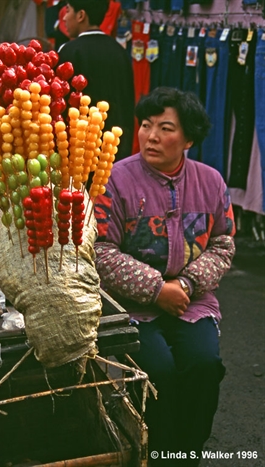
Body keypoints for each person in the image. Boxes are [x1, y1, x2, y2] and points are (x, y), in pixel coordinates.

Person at [93, 87, 236, 466]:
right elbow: (101, 250)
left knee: (204, 367)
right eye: (146, 125)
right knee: (158, 373)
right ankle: (157, 453)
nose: (151, 136)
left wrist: (185, 285)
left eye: (165, 128)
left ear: (188, 138)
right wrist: (156, 289)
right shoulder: (113, 180)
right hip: (132, 306)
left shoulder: (211, 182)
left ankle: (187, 453)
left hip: (192, 302)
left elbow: (223, 242)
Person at [57, 0, 135, 162]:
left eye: (68, 10)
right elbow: (128, 103)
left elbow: (60, 104)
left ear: (81, 15)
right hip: (115, 149)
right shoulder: (120, 52)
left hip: (79, 151)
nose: (64, 18)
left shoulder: (69, 51)